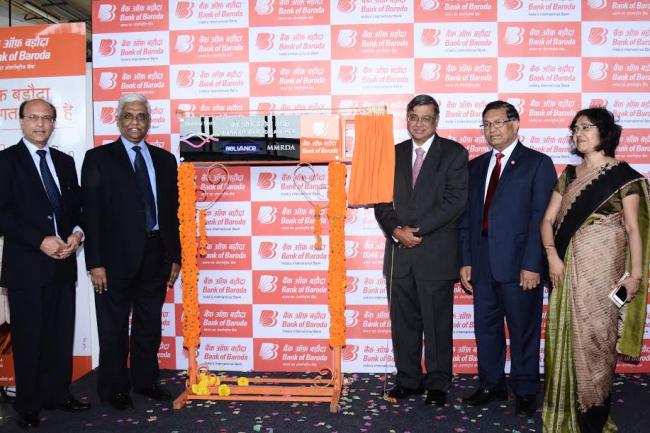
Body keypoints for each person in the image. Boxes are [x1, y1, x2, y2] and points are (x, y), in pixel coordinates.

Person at [540, 107, 649, 432]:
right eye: (575, 129)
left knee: (598, 341)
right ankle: (564, 415)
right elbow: (547, 220)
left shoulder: (624, 177)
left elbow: (634, 230)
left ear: (605, 132)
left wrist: (636, 276)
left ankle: (594, 416)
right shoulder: (568, 175)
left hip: (604, 273)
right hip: (565, 269)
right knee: (566, 336)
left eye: (586, 127)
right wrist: (552, 255)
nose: (579, 134)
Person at [81, 93, 181, 410]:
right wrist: (95, 262)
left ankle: (146, 382)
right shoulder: (98, 158)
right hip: (113, 260)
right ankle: (114, 388)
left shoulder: (165, 160)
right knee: (113, 328)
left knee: (149, 325)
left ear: (148, 121)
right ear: (118, 119)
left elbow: (172, 213)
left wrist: (174, 256)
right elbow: (91, 214)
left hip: (156, 255)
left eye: (141, 116)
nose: (135, 122)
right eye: (128, 115)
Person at [459, 100, 556, 415]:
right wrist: (466, 260)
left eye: (498, 122)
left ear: (515, 124)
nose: (492, 129)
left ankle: (525, 389)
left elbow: (541, 218)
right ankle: (492, 385)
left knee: (523, 328)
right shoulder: (475, 166)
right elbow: (468, 219)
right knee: (486, 328)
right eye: (486, 124)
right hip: (482, 260)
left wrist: (533, 264)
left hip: (519, 264)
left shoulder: (538, 163)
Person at [0, 99, 90, 429]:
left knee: (60, 335)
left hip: (63, 263)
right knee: (28, 339)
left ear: (54, 123)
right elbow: (3, 213)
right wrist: (40, 239)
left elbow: (77, 208)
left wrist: (77, 234)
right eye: (34, 117)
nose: (40, 123)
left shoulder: (65, 162)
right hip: (26, 267)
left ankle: (58, 394)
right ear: (21, 121)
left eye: (47, 118)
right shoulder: (6, 161)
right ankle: (27, 404)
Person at [375, 94, 468, 406]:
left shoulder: (454, 153)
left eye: (426, 118)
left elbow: (455, 202)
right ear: (407, 118)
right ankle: (408, 380)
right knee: (403, 324)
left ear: (436, 120)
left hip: (435, 254)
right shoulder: (393, 153)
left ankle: (438, 383)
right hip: (399, 255)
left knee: (437, 324)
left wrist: (416, 231)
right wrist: (396, 231)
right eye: (414, 117)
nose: (419, 123)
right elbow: (381, 201)